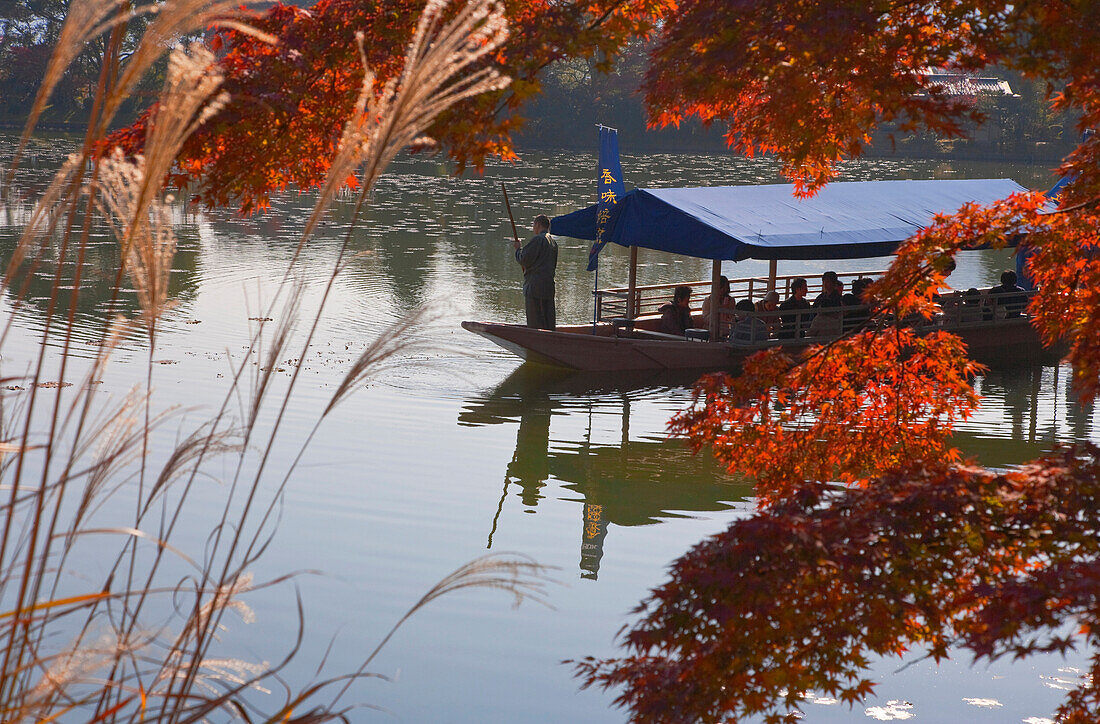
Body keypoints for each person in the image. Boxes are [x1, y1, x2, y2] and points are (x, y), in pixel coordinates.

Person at [514, 214, 558, 330]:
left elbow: (524, 259)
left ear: (538, 225)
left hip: (535, 288)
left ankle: (536, 344)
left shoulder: (538, 239)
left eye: (533, 225)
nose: (533, 228)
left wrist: (518, 249)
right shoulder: (553, 242)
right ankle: (549, 343)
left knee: (535, 323)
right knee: (548, 322)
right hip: (548, 287)